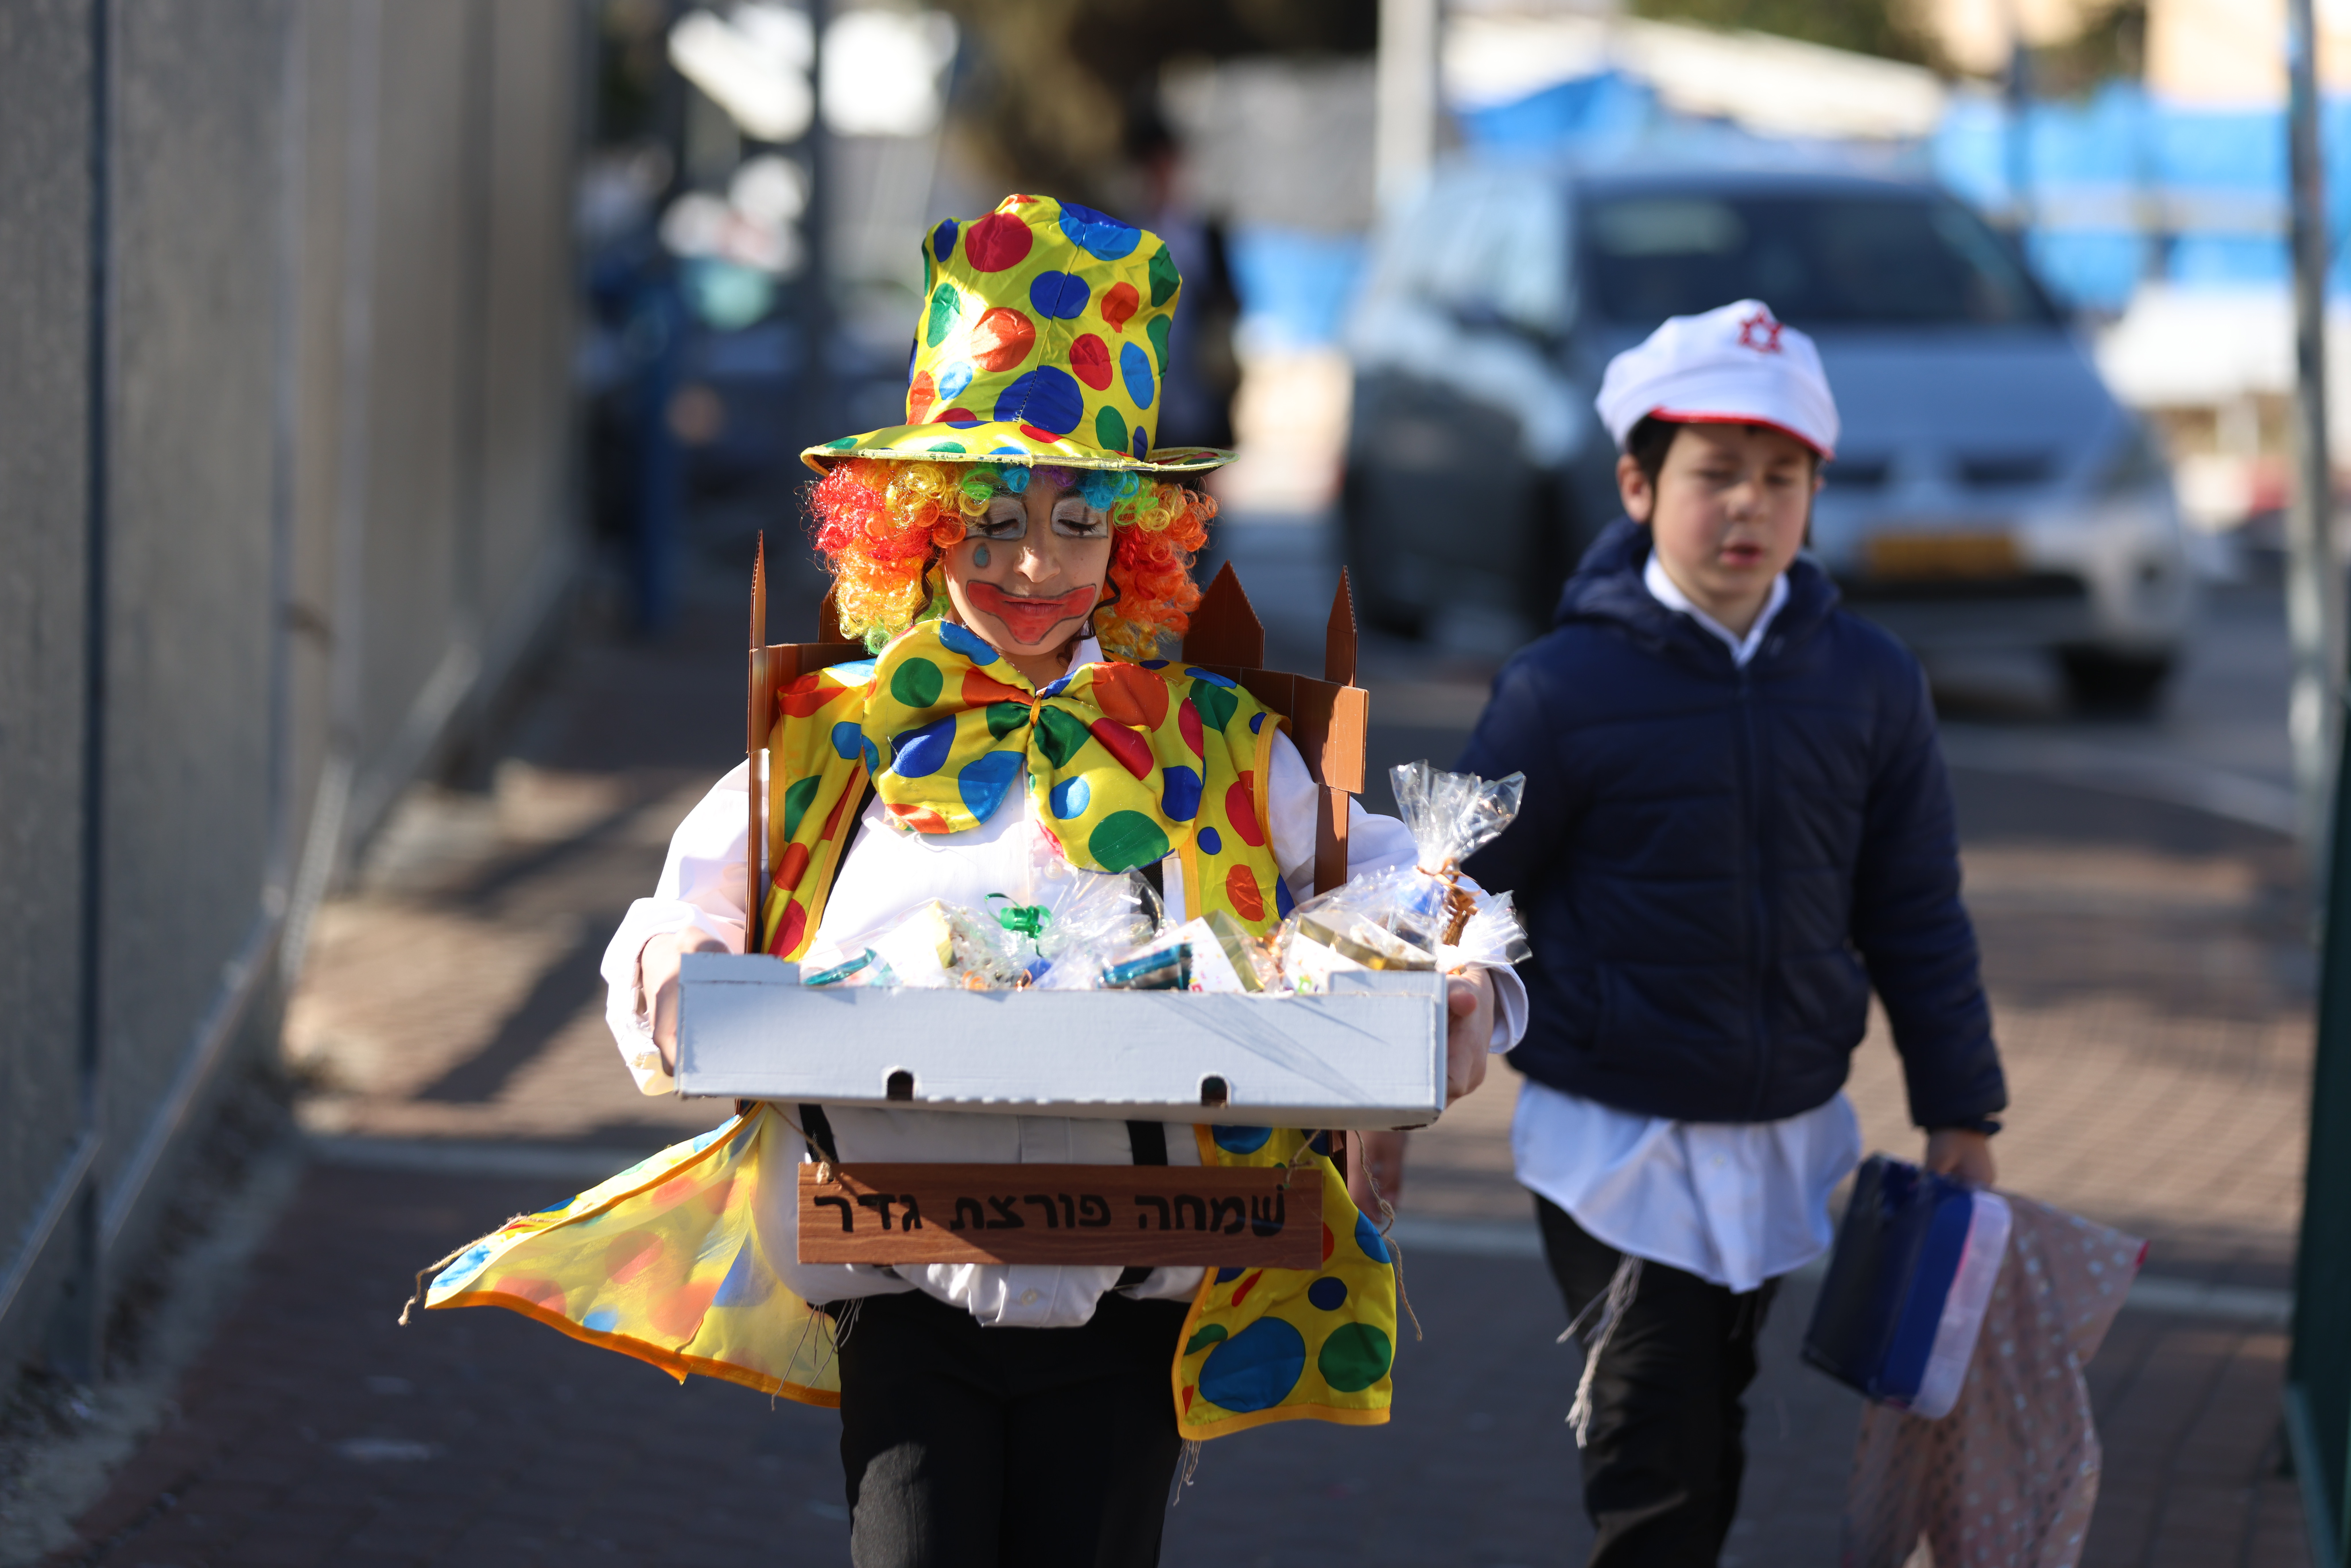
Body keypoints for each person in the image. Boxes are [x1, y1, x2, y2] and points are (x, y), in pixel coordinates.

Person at [420, 193, 1526, 1568]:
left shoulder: (1217, 747)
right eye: (991, 516)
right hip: (899, 1273)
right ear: (916, 527)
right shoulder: (835, 734)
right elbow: (686, 908)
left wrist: (1457, 984)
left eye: (1077, 522)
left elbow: (1391, 898)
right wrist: (680, 976)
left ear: (1134, 542)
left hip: (1138, 1289)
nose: (1030, 563)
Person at [1452, 299, 2009, 1566]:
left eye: (1781, 476)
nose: (1748, 506)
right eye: (1714, 475)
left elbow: (1914, 907)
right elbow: (1457, 885)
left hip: (1780, 1135)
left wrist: (1960, 1113)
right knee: (1648, 1453)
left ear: (1815, 490)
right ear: (1637, 486)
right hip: (1612, 1143)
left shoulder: (1869, 679)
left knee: (1713, 1440)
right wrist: (1404, 1055)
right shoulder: (1562, 688)